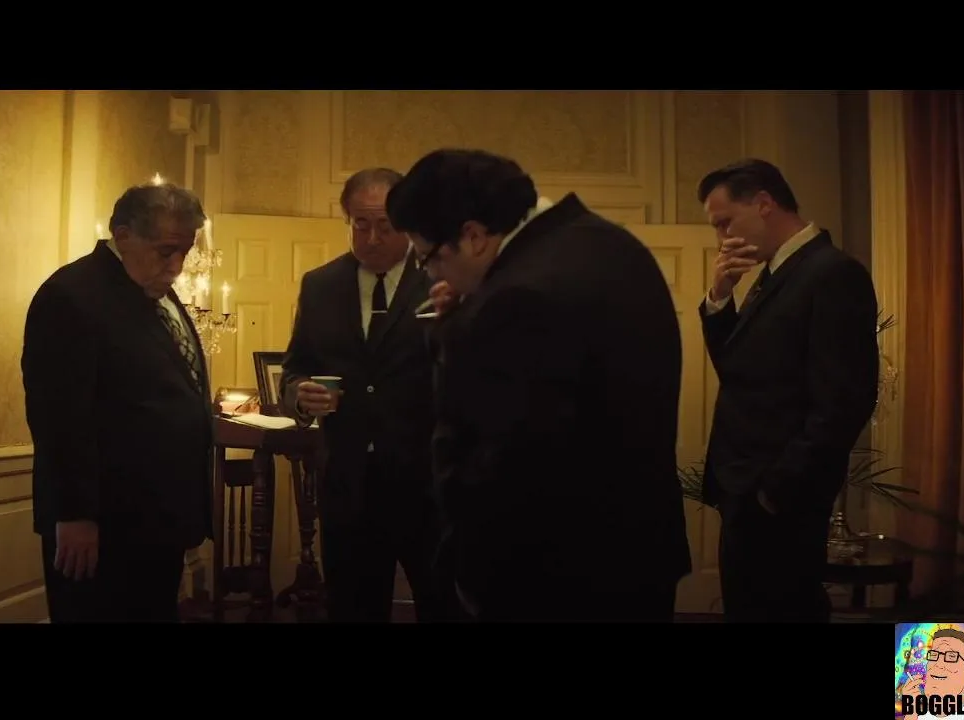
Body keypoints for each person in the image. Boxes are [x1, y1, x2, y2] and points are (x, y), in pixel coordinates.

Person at [386, 148, 691, 622]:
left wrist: (457, 330)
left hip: (552, 580)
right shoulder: (609, 242)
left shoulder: (516, 300)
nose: (431, 274)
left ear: (474, 237)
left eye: (427, 257)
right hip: (638, 553)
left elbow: (497, 466)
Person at [696, 158, 879, 623]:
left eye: (724, 222)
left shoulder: (831, 272)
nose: (721, 237)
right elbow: (739, 371)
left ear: (763, 203)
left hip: (778, 498)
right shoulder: (775, 273)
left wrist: (775, 490)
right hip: (747, 491)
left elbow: (843, 401)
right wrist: (720, 296)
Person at [21, 183, 214, 623]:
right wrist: (75, 514)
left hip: (155, 521)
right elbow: (58, 418)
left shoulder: (150, 289)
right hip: (104, 524)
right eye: (166, 251)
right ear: (123, 236)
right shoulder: (72, 296)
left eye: (185, 252)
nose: (177, 266)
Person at [280, 167, 455, 622]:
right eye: (361, 224)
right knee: (353, 609)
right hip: (350, 485)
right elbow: (296, 366)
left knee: (444, 605)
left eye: (385, 225)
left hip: (428, 484)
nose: (372, 238)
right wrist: (300, 393)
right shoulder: (320, 285)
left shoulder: (443, 281)